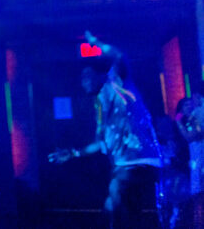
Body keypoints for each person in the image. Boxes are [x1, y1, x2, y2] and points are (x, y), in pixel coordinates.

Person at [49, 31, 163, 228]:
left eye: (87, 76)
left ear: (99, 74)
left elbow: (119, 56)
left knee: (116, 194)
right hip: (124, 166)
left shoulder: (117, 82)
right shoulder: (99, 106)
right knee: (118, 209)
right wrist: (74, 153)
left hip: (141, 159)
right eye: (81, 79)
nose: (83, 81)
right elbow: (100, 143)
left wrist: (96, 43)